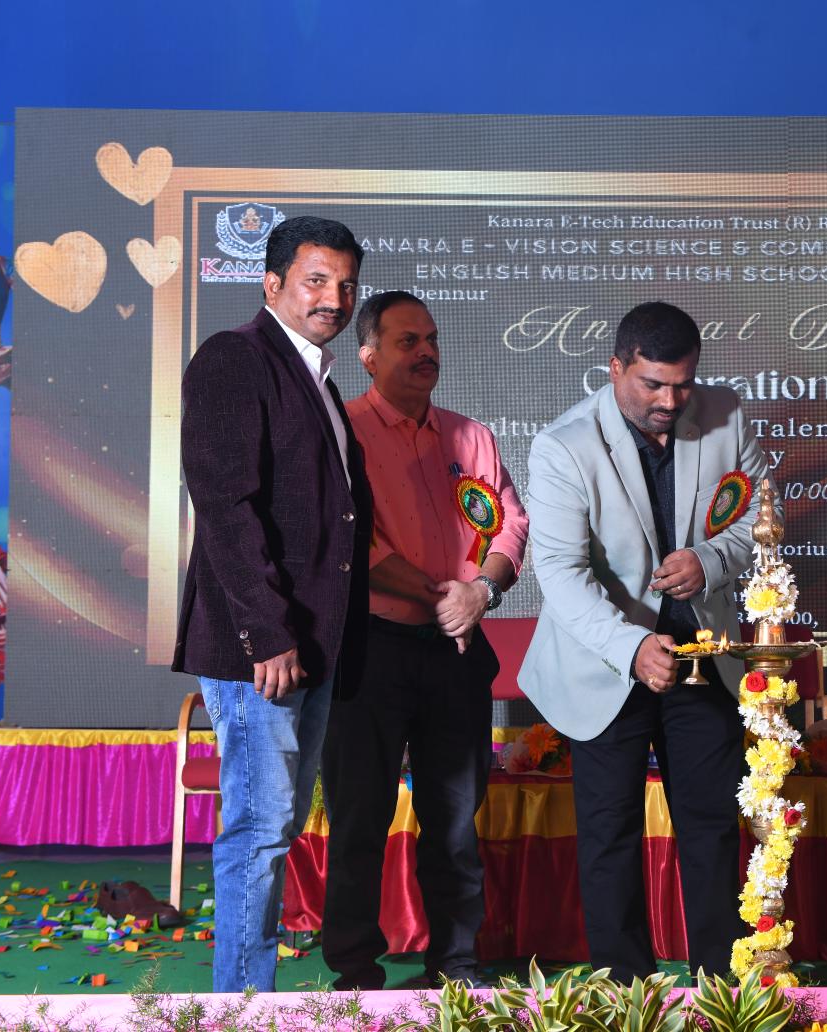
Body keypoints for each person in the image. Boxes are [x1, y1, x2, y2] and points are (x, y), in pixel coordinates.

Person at [518, 301, 768, 981]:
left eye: (683, 384)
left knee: (711, 825)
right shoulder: (563, 445)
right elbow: (560, 574)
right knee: (610, 833)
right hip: (604, 662)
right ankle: (624, 992)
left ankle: (723, 986)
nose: (670, 401)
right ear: (616, 368)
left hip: (701, 657)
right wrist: (630, 647)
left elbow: (757, 520)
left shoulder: (726, 415)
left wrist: (710, 560)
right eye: (653, 384)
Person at [171, 216, 371, 992]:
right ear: (272, 283)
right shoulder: (235, 358)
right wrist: (265, 631)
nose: (334, 298)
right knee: (259, 828)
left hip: (310, 647)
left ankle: (246, 995)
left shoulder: (317, 379)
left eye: (345, 284)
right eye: (316, 281)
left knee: (275, 824)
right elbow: (224, 504)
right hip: (263, 651)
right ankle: (241, 1005)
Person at [321, 290, 529, 989]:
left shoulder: (471, 437)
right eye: (407, 341)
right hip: (369, 650)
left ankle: (457, 965)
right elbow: (348, 539)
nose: (426, 352)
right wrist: (443, 596)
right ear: (368, 356)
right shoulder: (342, 430)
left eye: (432, 338)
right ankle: (355, 973)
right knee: (360, 818)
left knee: (455, 822)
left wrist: (482, 592)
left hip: (455, 652)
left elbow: (510, 525)